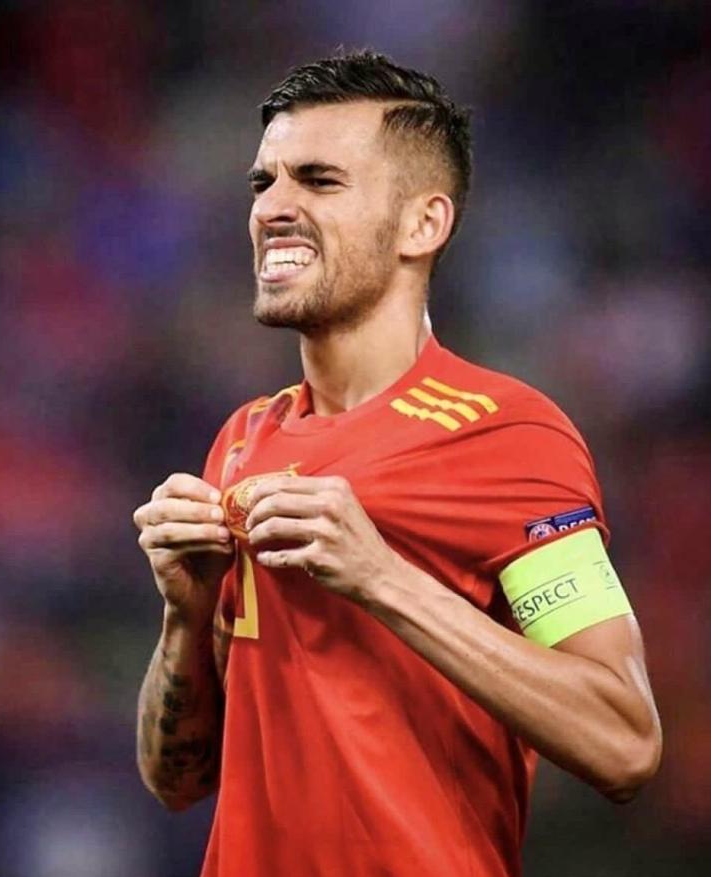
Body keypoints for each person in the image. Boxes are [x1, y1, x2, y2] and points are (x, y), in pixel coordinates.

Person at [133, 51, 662, 877]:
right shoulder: (241, 441)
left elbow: (625, 739)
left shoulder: (508, 436)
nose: (273, 207)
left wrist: (381, 576)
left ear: (424, 224)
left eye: (319, 180)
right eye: (264, 182)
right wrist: (186, 614)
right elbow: (177, 780)